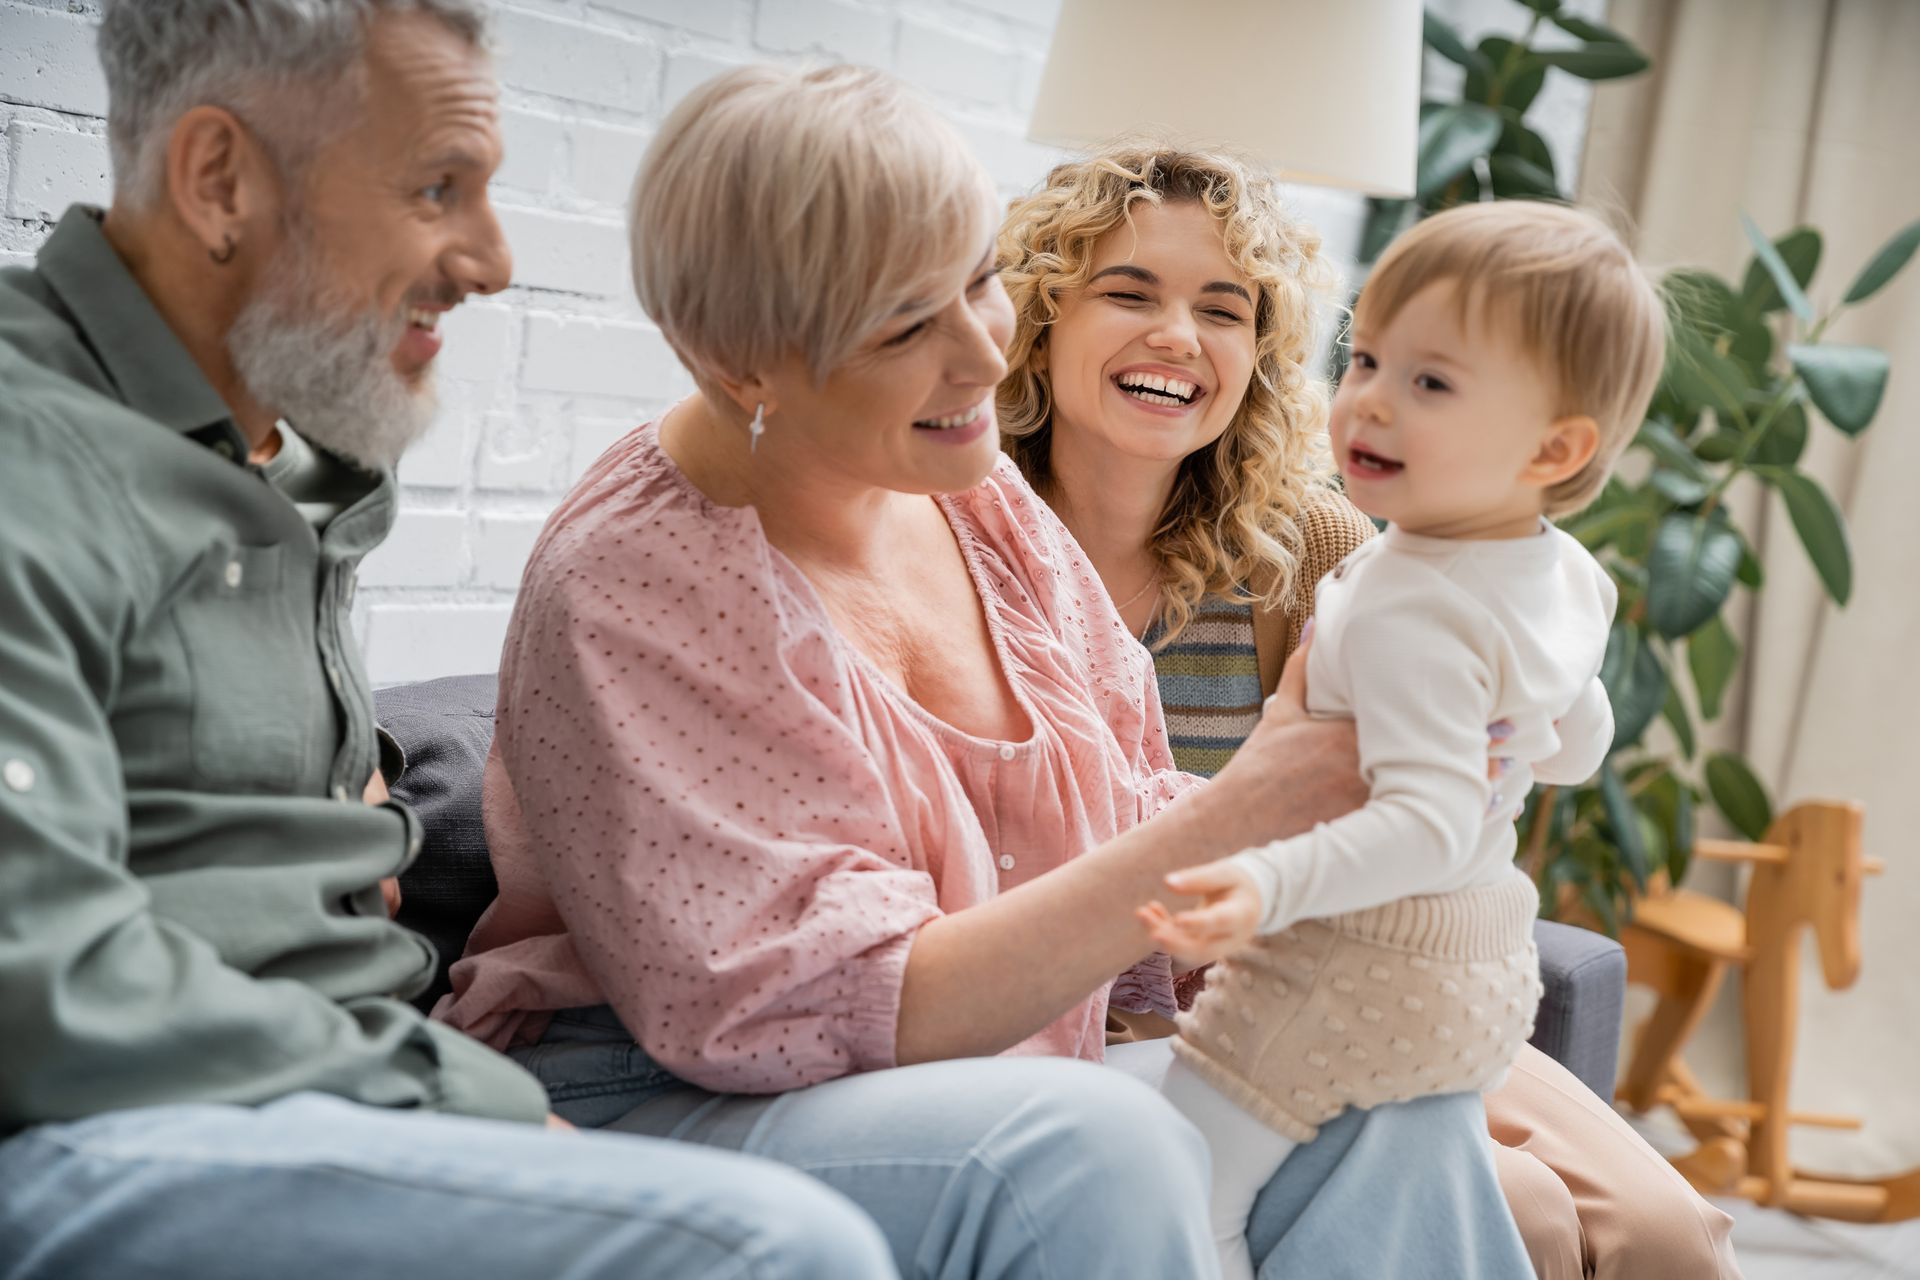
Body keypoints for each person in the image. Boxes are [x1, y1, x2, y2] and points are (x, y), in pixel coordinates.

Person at [438, 63, 1535, 1279]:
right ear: (737, 358)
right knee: (1092, 1138)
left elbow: (1125, 817)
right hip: (666, 1096)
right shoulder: (641, 581)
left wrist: (1358, 823)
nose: (979, 354)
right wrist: (1253, 804)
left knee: (1382, 1091)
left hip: (1003, 1069)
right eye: (908, 323)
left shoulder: (973, 493)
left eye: (978, 281)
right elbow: (800, 1012)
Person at [0, 4, 900, 1275]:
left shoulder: (292, 452)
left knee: (1050, 1159)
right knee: (768, 1248)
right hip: (86, 1121)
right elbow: (35, 980)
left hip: (323, 1080)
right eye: (438, 189)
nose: (492, 259)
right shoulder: (30, 451)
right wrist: (455, 1093)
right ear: (218, 181)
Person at [997, 142, 1743, 1279]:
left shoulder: (1326, 556)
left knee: (1666, 1233)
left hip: (1346, 970)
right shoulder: (961, 538)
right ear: (1042, 317)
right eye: (1129, 291)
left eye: (1223, 308)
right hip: (1159, 1012)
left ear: (1262, 349)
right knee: (1524, 1208)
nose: (1179, 337)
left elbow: (1477, 766)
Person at [1134, 201, 1646, 1280]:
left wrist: (1264, 883)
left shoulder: (1406, 596)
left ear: (1556, 445)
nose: (1368, 400)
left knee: (1173, 1187)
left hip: (1345, 965)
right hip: (1481, 966)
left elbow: (1422, 821)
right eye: (1367, 357)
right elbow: (1574, 742)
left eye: (1432, 383)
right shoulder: (1566, 572)